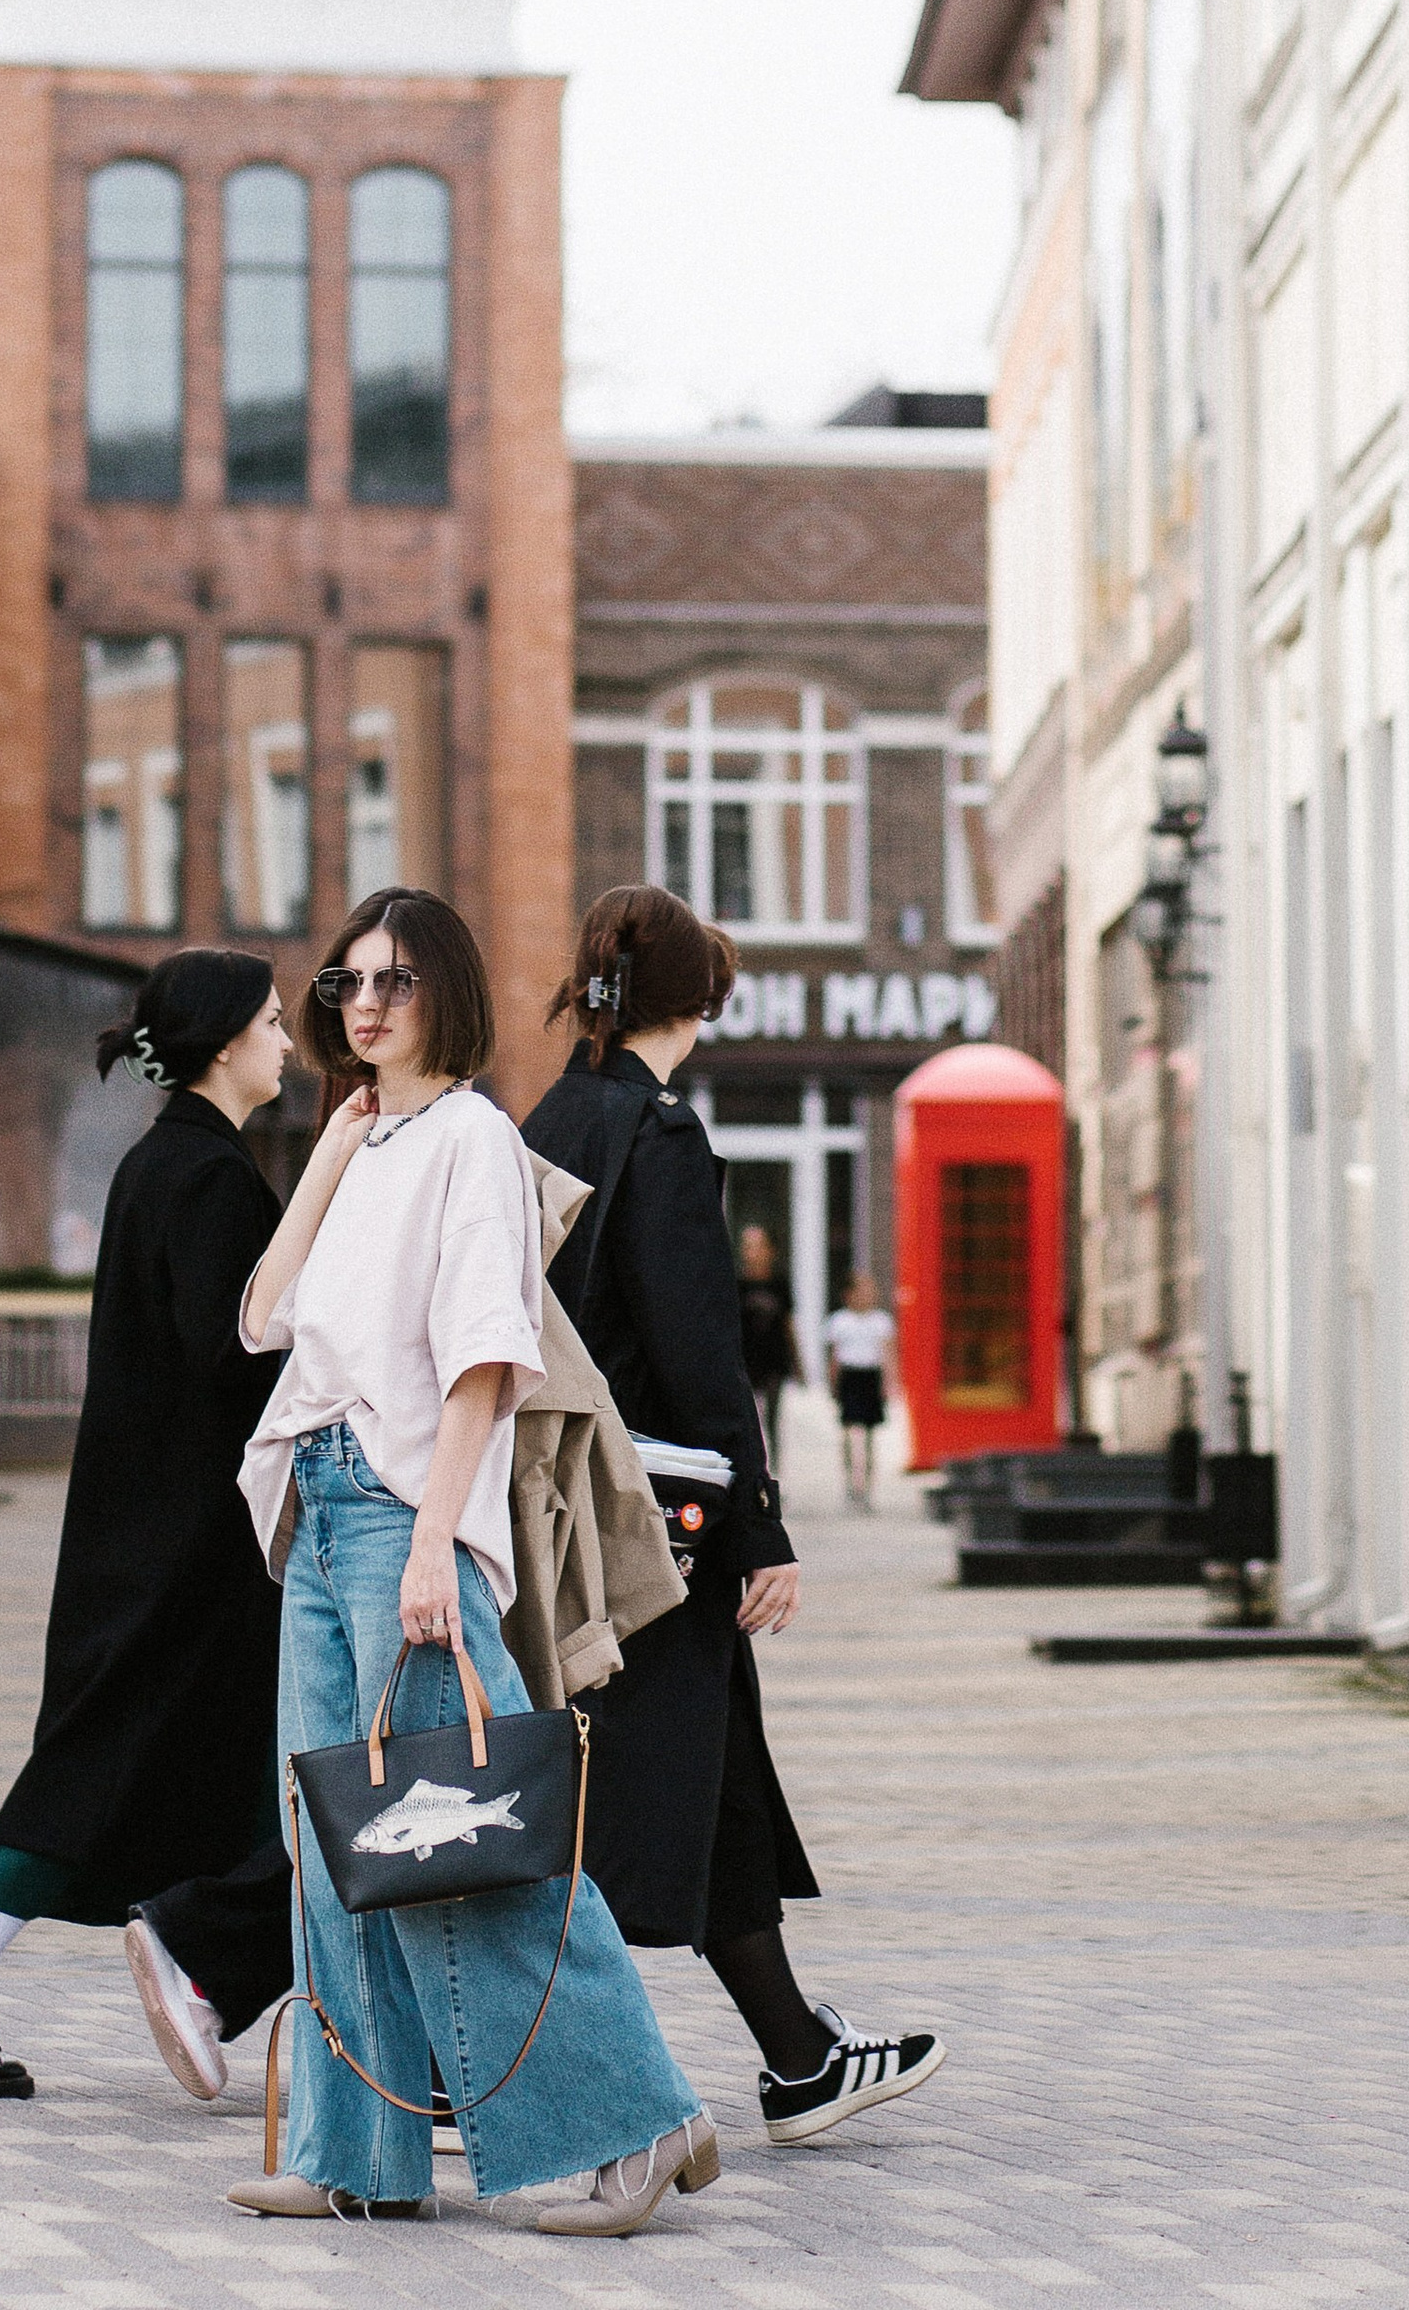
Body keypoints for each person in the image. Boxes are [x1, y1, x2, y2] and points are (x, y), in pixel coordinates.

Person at [227, 886, 715, 2237]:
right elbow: (266, 1316)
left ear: (449, 989)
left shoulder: (474, 1142)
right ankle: (356, 2156)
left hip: (401, 1514)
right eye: (346, 987)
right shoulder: (375, 1142)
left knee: (470, 1839)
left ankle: (646, 2118)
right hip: (316, 1512)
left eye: (394, 981)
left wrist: (438, 1539)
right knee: (337, 1845)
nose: (367, 1005)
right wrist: (330, 1150)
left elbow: (487, 1355)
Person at [525, 889, 944, 2148]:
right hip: (662, 1517)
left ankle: (800, 2056)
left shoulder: (547, 1117)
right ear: (703, 1001)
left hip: (565, 1496)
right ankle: (469, 2060)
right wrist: (761, 1522)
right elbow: (701, 1351)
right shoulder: (656, 1133)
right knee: (620, 1783)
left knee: (706, 1778)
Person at [0, 951, 295, 2102]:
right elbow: (235, 1348)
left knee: (164, 1768)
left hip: (164, 1529)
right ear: (220, 1043)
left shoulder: (176, 1162)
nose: (289, 1039)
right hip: (190, 1540)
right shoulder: (204, 1175)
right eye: (270, 1021)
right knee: (116, 1770)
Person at [825, 1273, 896, 1509]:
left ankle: (866, 1488)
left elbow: (888, 1355)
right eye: (863, 1290)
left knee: (869, 1438)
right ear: (850, 1294)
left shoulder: (882, 1321)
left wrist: (888, 1383)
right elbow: (834, 1357)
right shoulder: (839, 1321)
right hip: (850, 1376)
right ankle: (849, 1484)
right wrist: (833, 1383)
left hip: (870, 1377)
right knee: (847, 1433)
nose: (869, 1295)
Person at [737, 1223, 800, 1468]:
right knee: (748, 1417)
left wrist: (797, 1362)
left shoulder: (778, 1284)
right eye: (747, 1246)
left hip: (773, 1357)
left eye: (757, 1246)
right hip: (746, 1359)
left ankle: (773, 1466)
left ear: (769, 1250)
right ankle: (751, 1464)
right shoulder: (737, 1283)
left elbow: (788, 1323)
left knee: (773, 1416)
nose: (751, 1252)